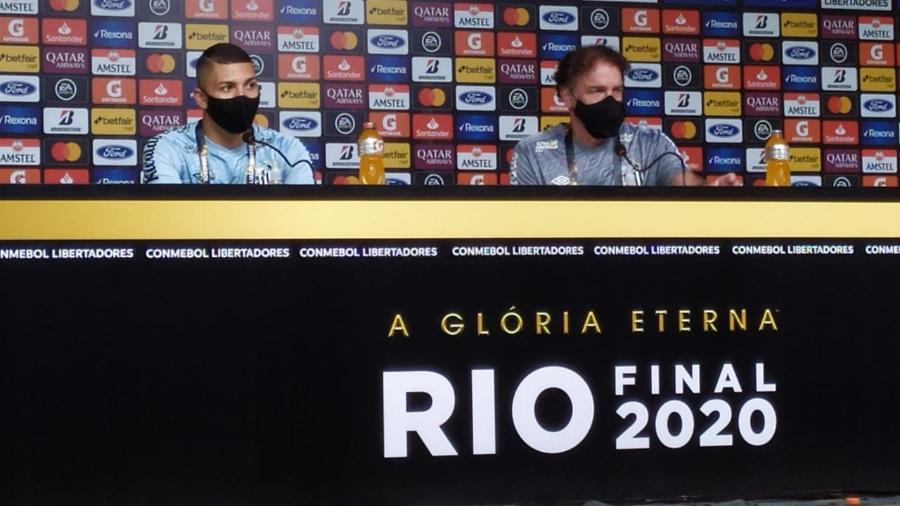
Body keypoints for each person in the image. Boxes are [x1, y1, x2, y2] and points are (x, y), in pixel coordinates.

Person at [511, 45, 739, 186]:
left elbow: (683, 182)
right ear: (568, 96)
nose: (610, 101)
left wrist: (713, 188)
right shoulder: (533, 152)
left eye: (617, 90)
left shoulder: (651, 143)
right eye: (597, 91)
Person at [142, 43, 314, 184]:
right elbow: (169, 217)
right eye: (227, 87)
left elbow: (305, 217)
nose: (242, 95)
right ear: (202, 98)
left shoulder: (286, 149)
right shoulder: (168, 148)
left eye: (250, 85)